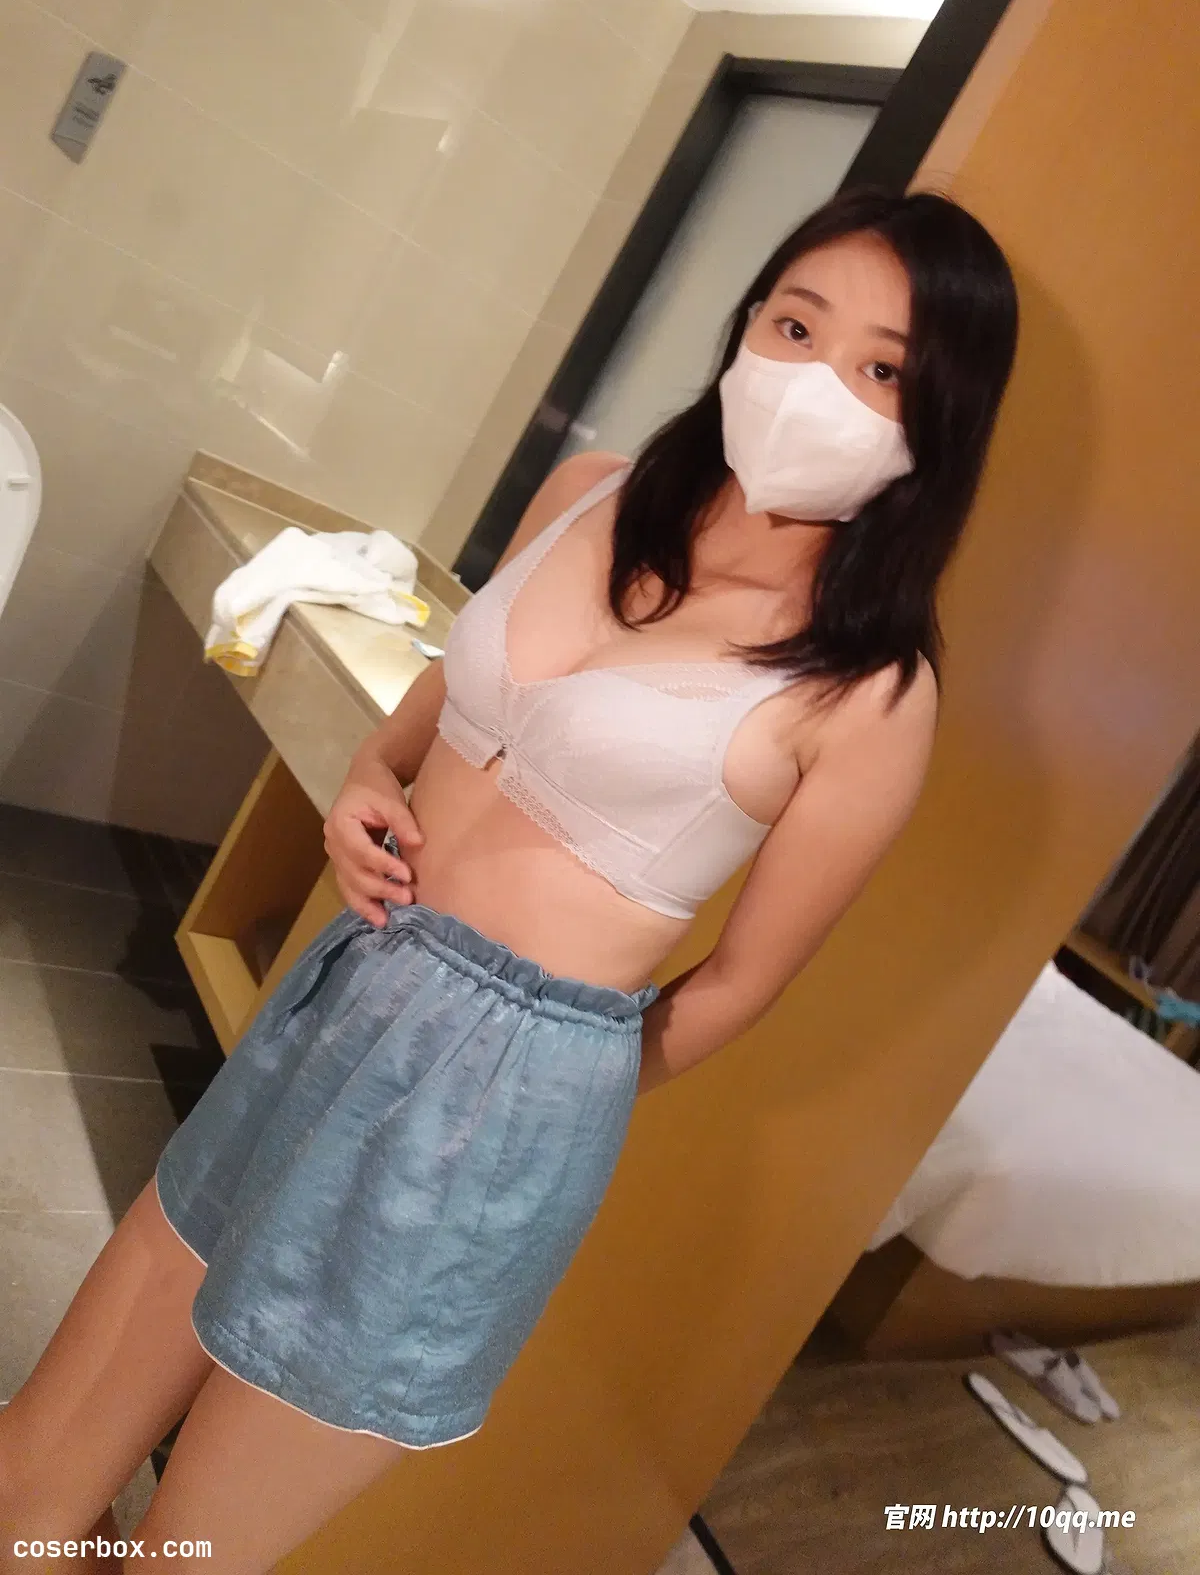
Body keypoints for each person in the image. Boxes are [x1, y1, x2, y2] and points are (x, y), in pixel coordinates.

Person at [0, 186, 1018, 1574]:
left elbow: (737, 988)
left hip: (491, 1114)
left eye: (882, 370)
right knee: (37, 1466)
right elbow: (440, 702)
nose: (815, 381)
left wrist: (537, 1089)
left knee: (189, 1553)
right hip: (348, 990)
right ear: (748, 323)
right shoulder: (590, 490)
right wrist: (368, 779)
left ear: (935, 422)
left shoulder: (869, 692)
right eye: (797, 325)